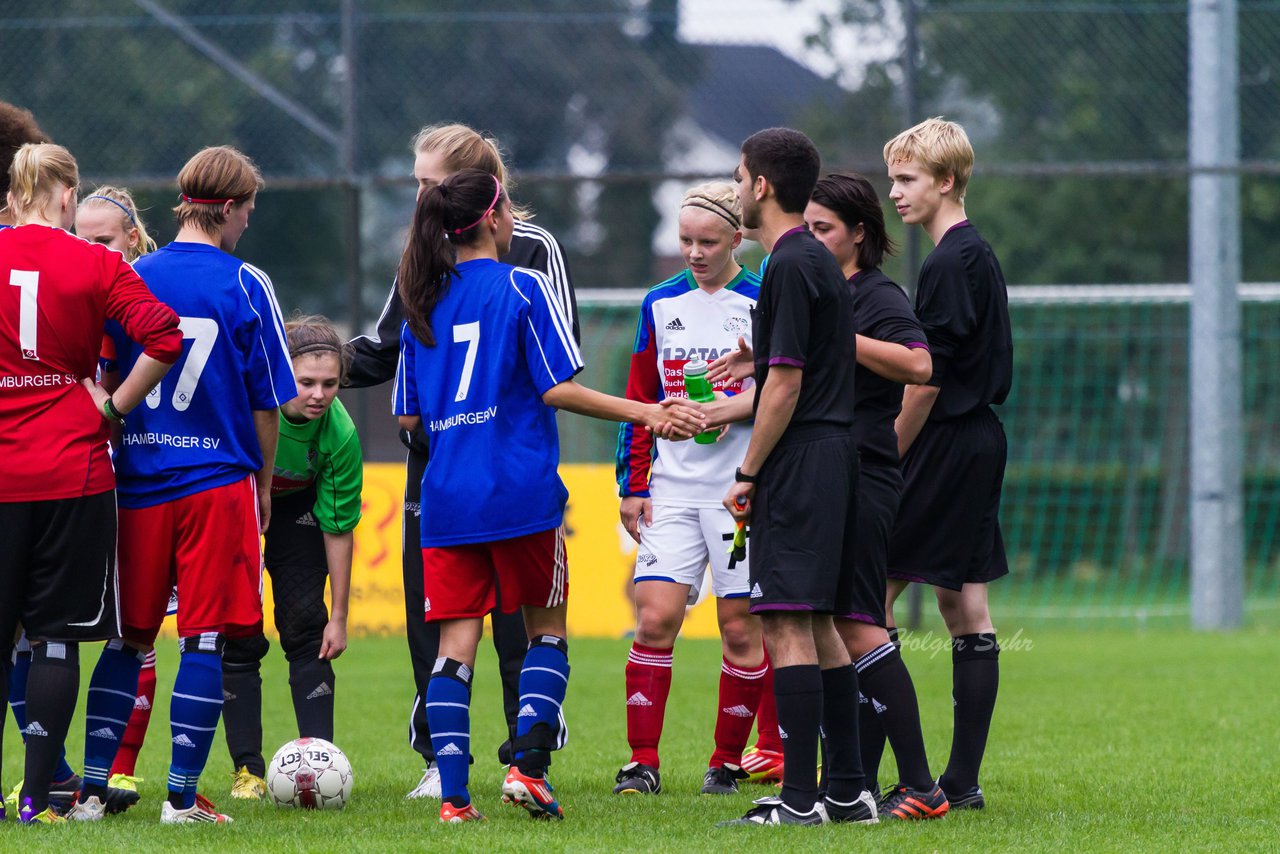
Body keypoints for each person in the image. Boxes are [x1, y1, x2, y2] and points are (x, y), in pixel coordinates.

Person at [393, 168, 703, 823]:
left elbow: (409, 418)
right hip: (520, 493)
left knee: (455, 646)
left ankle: (453, 799)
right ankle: (528, 768)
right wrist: (646, 412)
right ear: (497, 216)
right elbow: (558, 387)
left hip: (447, 500)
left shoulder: (422, 300)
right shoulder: (524, 286)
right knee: (548, 630)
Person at [347, 122, 579, 800]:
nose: (420, 195)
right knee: (447, 612)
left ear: (476, 187)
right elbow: (391, 345)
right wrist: (317, 364)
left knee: (507, 620)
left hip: (500, 454)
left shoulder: (532, 252)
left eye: (430, 183)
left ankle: (522, 751)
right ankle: (445, 763)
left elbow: (547, 355)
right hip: (448, 459)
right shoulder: (422, 254)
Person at [105, 145, 296, 825]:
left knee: (129, 639)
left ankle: (99, 789)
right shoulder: (247, 283)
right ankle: (181, 798)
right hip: (216, 483)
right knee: (204, 638)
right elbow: (268, 404)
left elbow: (107, 379)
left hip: (138, 483)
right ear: (232, 208)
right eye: (249, 210)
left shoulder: (128, 276)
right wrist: (266, 484)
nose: (248, 222)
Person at [0, 142, 181, 823]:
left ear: (15, 195)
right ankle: (39, 800)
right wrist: (111, 407)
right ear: (69, 195)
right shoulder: (99, 261)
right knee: (54, 637)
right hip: (71, 471)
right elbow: (164, 336)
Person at [718, 128, 875, 827]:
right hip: (837, 454)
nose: (735, 186)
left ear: (761, 187)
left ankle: (802, 801)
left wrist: (748, 471)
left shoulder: (786, 263)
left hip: (805, 457)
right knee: (821, 624)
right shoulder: (818, 260)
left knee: (784, 622)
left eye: (739, 174)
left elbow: (783, 384)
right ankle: (848, 791)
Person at [611, 182, 767, 797]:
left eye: (707, 241)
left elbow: (784, 393)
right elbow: (640, 396)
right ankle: (642, 763)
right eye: (685, 241)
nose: (695, 253)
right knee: (655, 618)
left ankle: (725, 763)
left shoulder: (762, 299)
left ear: (737, 237)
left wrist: (737, 424)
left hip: (740, 492)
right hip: (671, 491)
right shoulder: (658, 302)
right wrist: (633, 484)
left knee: (740, 629)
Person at [804, 172, 948, 818]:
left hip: (866, 475)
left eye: (822, 229)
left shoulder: (876, 296)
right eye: (805, 228)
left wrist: (882, 439)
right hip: (834, 474)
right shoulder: (828, 296)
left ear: (859, 234)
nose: (811, 240)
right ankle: (852, 780)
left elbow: (921, 367)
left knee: (861, 627)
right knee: (840, 625)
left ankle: (923, 787)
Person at [883, 117, 1013, 810]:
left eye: (906, 180)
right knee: (963, 603)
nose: (895, 193)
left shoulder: (950, 262)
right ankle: (959, 783)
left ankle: (884, 776)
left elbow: (926, 380)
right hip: (977, 441)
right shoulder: (970, 255)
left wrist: (887, 455)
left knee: (868, 599)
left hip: (946, 441)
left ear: (946, 181)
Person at [220, 316, 362, 798]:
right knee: (238, 632)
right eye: (305, 383)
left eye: (330, 384)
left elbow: (338, 529)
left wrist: (339, 618)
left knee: (306, 624)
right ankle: (248, 771)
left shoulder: (340, 435)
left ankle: (321, 765)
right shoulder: (247, 406)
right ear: (281, 374)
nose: (319, 395)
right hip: (239, 500)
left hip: (296, 507)